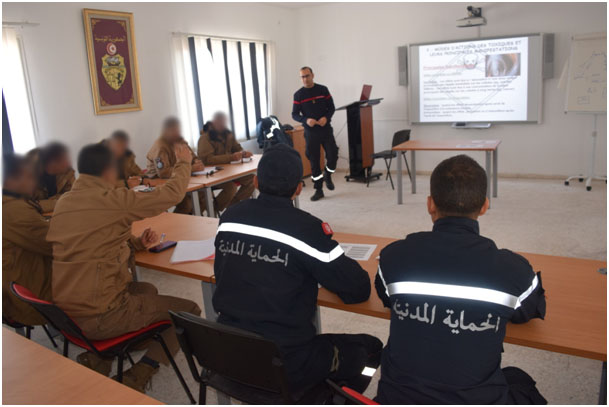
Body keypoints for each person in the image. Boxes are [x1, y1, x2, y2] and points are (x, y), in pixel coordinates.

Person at [374, 155, 547, 405]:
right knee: (521, 382)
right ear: (484, 206)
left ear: (430, 204)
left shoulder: (392, 257)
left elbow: (386, 297)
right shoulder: (514, 270)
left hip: (397, 399)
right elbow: (527, 312)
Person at [212, 143, 382, 395]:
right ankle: (328, 399)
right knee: (371, 349)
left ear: (256, 182)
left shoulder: (229, 218)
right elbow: (358, 289)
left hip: (230, 354)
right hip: (286, 362)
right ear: (298, 188)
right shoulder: (307, 229)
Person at [47, 143, 202, 392]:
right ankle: (138, 375)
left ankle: (99, 359)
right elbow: (171, 194)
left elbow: (97, 238)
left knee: (147, 289)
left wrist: (138, 243)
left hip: (67, 314)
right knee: (188, 311)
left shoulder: (65, 202)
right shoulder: (111, 200)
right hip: (100, 315)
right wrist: (183, 162)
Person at [2, 153, 53, 326]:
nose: (34, 183)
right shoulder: (15, 211)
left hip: (15, 283)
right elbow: (57, 245)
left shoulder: (10, 204)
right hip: (27, 295)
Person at [292, 66, 338, 202]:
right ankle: (318, 190)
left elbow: (332, 108)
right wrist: (306, 120)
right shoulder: (298, 95)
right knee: (314, 160)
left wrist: (326, 118)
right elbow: (294, 114)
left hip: (325, 129)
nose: (305, 79)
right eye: (302, 77)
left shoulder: (323, 90)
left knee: (333, 155)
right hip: (311, 132)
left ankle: (328, 174)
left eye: (307, 76)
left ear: (313, 75)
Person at [146, 117, 207, 214]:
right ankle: (180, 222)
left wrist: (197, 162)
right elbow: (163, 173)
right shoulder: (160, 146)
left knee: (204, 196)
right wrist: (191, 168)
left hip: (180, 179)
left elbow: (192, 156)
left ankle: (193, 220)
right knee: (186, 204)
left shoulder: (180, 141)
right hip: (160, 184)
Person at [197, 112, 255, 210]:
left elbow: (237, 148)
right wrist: (231, 157)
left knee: (252, 179)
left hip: (230, 171)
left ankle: (233, 207)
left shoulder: (228, 135)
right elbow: (207, 160)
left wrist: (244, 153)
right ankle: (214, 209)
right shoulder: (205, 138)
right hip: (214, 174)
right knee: (231, 188)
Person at [28, 142, 76, 212]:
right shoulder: (28, 174)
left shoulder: (67, 171)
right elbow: (26, 205)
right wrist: (58, 201)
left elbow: (72, 197)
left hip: (58, 213)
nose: (67, 163)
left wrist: (44, 204)